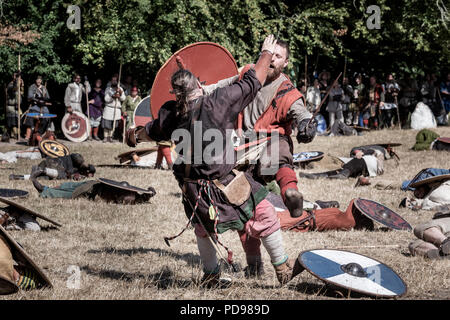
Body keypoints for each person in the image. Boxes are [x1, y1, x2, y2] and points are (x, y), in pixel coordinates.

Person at [126, 35, 303, 287]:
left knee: (203, 229)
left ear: (177, 94)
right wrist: (265, 53)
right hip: (224, 183)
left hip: (193, 189)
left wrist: (134, 135)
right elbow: (254, 81)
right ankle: (283, 269)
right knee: (264, 213)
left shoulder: (172, 114)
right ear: (199, 86)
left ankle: (210, 276)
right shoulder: (218, 102)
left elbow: (150, 131)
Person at [204, 38, 316, 220]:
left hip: (267, 148)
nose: (272, 59)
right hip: (240, 148)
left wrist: (306, 125)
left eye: (278, 56)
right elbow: (222, 86)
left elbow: (302, 114)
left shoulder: (287, 92)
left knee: (278, 147)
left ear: (285, 63)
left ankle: (290, 192)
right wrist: (199, 90)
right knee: (234, 194)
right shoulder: (249, 72)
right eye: (270, 54)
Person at [30, 170, 156, 204]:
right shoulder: (133, 195)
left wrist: (149, 193)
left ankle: (44, 191)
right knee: (68, 185)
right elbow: (146, 195)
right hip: (94, 184)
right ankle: (45, 188)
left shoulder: (131, 198)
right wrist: (149, 192)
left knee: (69, 194)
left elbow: (144, 197)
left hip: (92, 192)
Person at [299, 149, 384, 180]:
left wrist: (363, 152)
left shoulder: (374, 157)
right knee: (337, 172)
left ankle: (343, 175)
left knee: (355, 162)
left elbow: (374, 151)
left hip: (368, 165)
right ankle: (316, 176)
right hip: (360, 169)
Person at [9, 153, 95, 181]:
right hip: (54, 164)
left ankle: (18, 176)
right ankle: (22, 176)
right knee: (62, 175)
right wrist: (85, 166)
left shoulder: (78, 172)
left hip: (48, 166)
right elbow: (76, 159)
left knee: (39, 177)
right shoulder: (78, 159)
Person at [24, 76, 54, 144]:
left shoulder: (44, 88)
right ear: (35, 80)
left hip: (43, 106)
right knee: (31, 117)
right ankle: (28, 136)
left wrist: (44, 99)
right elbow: (30, 97)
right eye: (37, 80)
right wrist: (38, 100)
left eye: (40, 80)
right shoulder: (32, 87)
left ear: (41, 81)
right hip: (35, 106)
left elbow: (48, 97)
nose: (39, 81)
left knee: (48, 115)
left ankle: (46, 133)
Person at [102, 75, 126, 142]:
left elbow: (123, 98)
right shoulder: (108, 89)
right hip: (109, 108)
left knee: (114, 124)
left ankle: (110, 136)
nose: (114, 81)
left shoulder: (120, 89)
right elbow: (106, 99)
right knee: (107, 123)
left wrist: (120, 94)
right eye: (113, 80)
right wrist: (113, 96)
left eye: (115, 80)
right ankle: (105, 137)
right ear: (111, 81)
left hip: (116, 109)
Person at [5, 71, 24, 139]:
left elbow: (21, 93)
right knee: (13, 122)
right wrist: (17, 81)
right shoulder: (10, 85)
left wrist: (22, 85)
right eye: (15, 76)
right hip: (11, 107)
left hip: (17, 107)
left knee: (19, 120)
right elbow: (14, 88)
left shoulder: (19, 85)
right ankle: (11, 135)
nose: (17, 78)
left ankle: (17, 134)